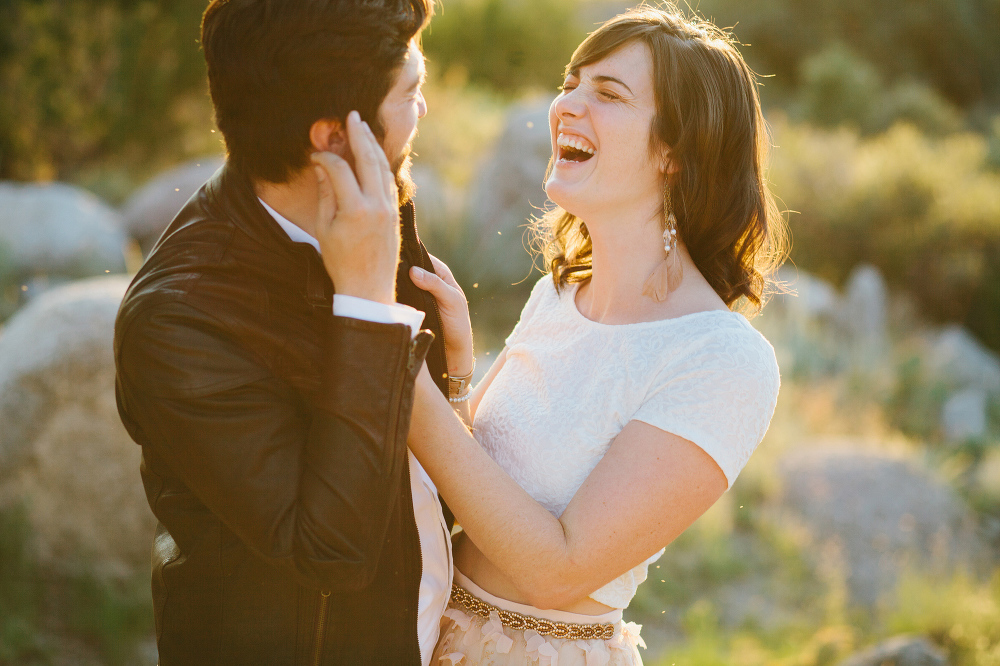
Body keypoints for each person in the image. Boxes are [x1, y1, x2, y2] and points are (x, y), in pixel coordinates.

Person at [400, 5, 787, 664]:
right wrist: (457, 371)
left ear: (676, 152)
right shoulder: (557, 293)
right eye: (570, 83)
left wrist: (399, 375)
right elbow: (469, 499)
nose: (565, 106)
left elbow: (558, 571)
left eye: (607, 93)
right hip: (434, 634)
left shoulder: (722, 359)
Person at [113, 0, 471, 663]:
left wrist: (460, 375)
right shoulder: (179, 322)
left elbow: (410, 478)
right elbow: (330, 554)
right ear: (333, 137)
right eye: (410, 94)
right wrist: (366, 305)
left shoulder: (362, 209)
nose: (422, 113)